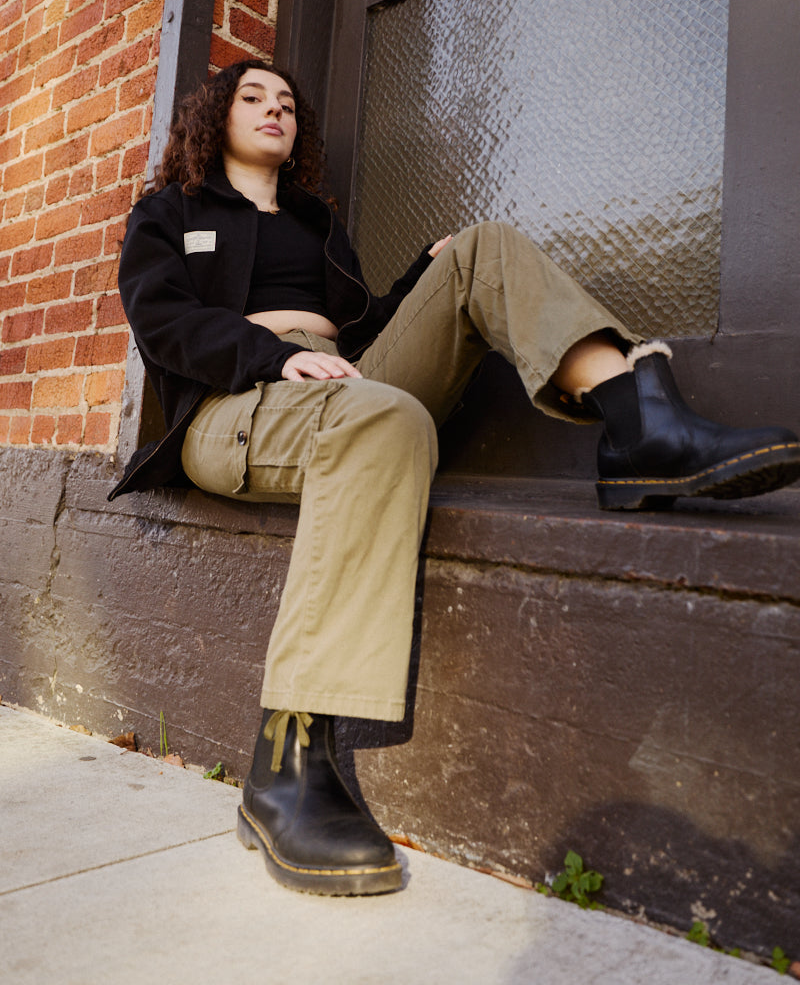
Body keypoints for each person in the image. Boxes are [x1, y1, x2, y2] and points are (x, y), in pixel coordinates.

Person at [110, 57, 800, 897]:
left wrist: (421, 280)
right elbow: (162, 322)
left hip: (345, 383)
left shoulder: (314, 223)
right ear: (214, 115)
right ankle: (288, 759)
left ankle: (637, 423)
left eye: (288, 102)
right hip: (235, 402)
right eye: (253, 97)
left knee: (482, 249)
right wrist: (276, 355)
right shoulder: (170, 213)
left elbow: (364, 326)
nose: (274, 110)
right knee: (388, 419)